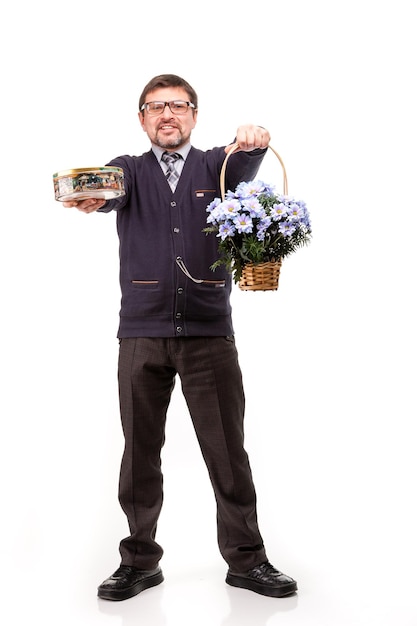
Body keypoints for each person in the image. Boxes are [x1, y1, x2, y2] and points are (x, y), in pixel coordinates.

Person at [63, 74, 297, 601]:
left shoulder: (217, 164)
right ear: (141, 118)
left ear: (194, 115)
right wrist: (87, 196)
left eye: (178, 106)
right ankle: (140, 562)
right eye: (155, 107)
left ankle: (246, 560)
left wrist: (254, 135)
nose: (167, 115)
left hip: (209, 334)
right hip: (140, 334)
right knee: (139, 453)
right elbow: (100, 190)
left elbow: (247, 157)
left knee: (227, 452)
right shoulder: (127, 171)